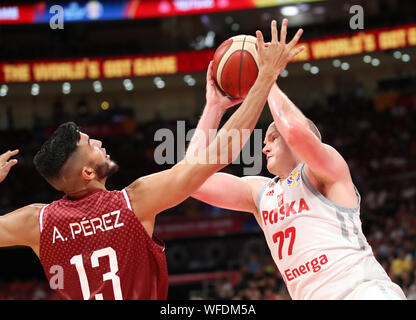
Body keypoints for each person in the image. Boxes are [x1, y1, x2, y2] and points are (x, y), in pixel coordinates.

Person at [0, 20, 296, 300]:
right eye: (90, 144)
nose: (100, 142)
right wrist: (263, 79)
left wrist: (215, 106)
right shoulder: (134, 202)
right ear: (88, 172)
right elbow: (217, 156)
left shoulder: (37, 222)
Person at [191, 19, 407, 300]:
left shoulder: (326, 168)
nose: (263, 148)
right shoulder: (261, 192)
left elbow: (294, 130)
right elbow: (191, 180)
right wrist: (213, 107)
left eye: (272, 138)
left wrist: (266, 78)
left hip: (363, 291)